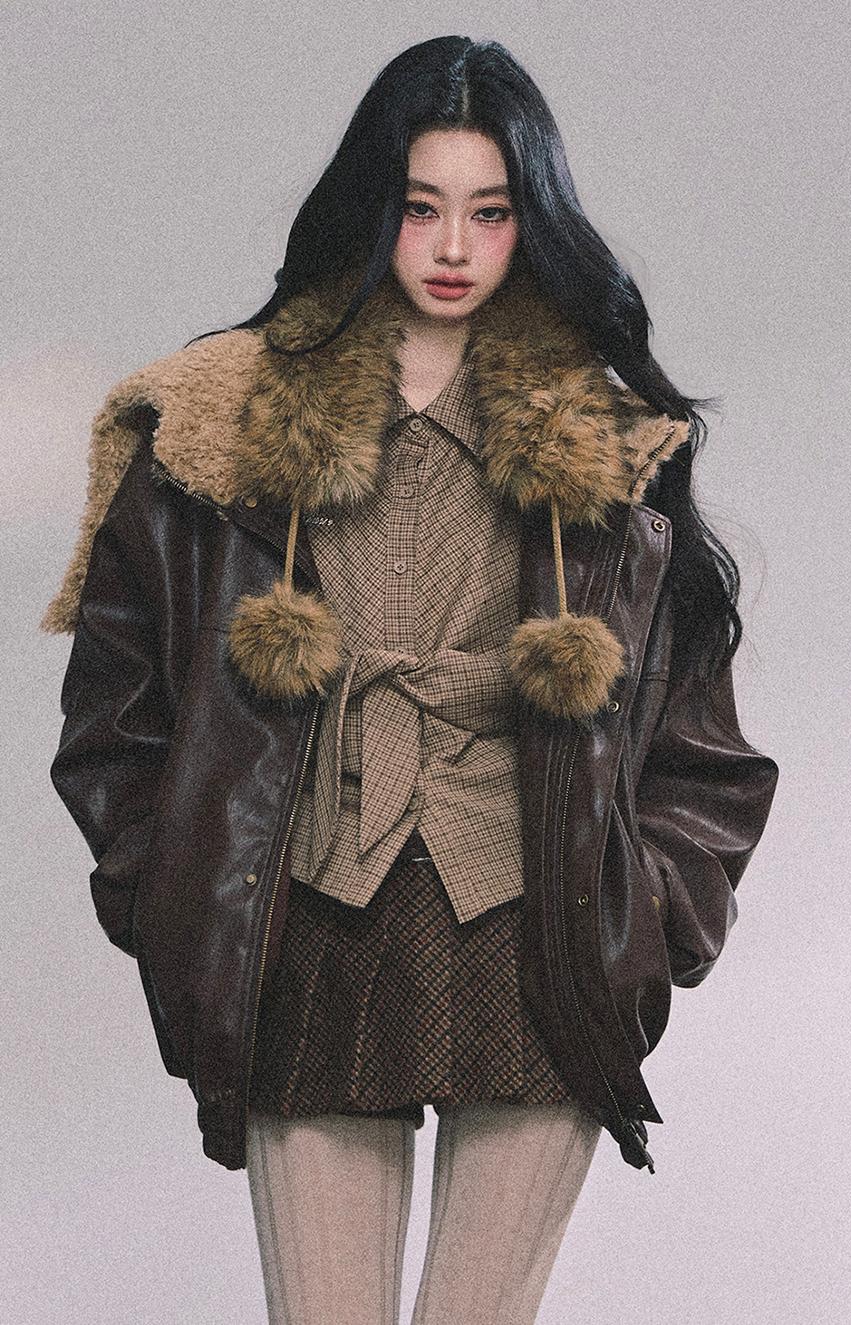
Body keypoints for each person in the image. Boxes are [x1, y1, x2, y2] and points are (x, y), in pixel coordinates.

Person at [42, 34, 780, 1325]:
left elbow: (701, 751)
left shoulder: (608, 442)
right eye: (420, 205)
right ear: (370, 205)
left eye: (490, 212)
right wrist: (174, 896)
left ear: (531, 222)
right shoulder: (216, 423)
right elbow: (117, 716)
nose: (451, 246)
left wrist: (646, 922)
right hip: (312, 932)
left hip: (540, 943)